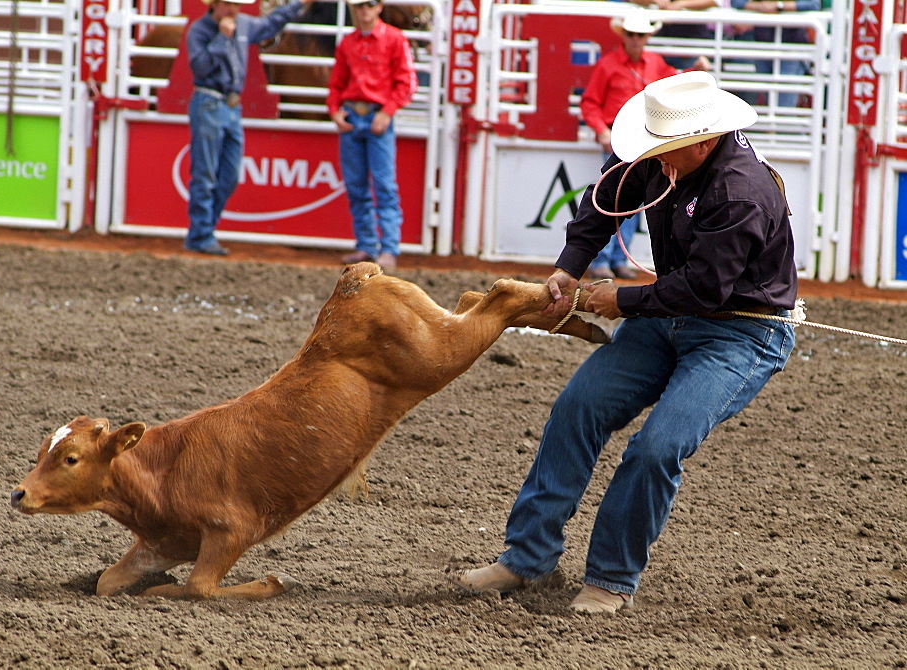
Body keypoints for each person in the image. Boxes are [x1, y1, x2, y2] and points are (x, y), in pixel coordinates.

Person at [450, 71, 798, 613]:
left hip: (741, 332)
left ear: (703, 141)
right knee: (577, 407)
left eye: (667, 154)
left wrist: (623, 301)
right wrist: (569, 268)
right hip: (668, 316)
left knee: (659, 447)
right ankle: (527, 557)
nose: (655, 163)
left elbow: (705, 287)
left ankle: (610, 578)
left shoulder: (741, 192)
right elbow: (605, 197)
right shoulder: (668, 156)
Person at [184, 0, 312, 256]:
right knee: (206, 173)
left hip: (229, 106)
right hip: (209, 101)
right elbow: (200, 67)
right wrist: (222, 38)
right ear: (217, 5)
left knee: (228, 175)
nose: (234, 10)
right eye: (230, 5)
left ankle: (203, 230)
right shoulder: (199, 30)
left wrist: (297, 4)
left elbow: (269, 24)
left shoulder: (241, 24)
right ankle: (201, 234)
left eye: (236, 5)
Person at [580, 12, 678, 280]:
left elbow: (675, 84)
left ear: (646, 37)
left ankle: (616, 259)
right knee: (614, 198)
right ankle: (605, 259)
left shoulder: (655, 64)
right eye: (632, 35)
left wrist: (695, 71)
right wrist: (601, 129)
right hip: (621, 138)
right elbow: (590, 102)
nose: (636, 40)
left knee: (631, 199)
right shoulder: (608, 65)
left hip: (645, 141)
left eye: (640, 35)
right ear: (624, 36)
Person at [327, 0, 417, 273]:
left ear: (378, 7)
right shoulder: (348, 43)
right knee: (357, 185)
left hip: (376, 115)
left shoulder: (394, 39)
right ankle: (369, 245)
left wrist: (387, 111)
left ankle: (387, 247)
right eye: (359, 6)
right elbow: (336, 82)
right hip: (355, 116)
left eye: (368, 5)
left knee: (383, 185)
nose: (363, 10)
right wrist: (334, 110)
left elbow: (406, 82)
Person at [730, 0, 821, 108]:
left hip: (791, 47)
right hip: (764, 44)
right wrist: (761, 6)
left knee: (783, 101)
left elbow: (813, 4)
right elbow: (737, 2)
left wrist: (778, 5)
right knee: (772, 99)